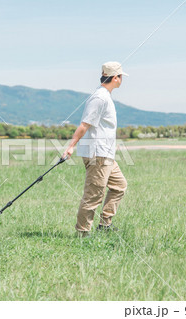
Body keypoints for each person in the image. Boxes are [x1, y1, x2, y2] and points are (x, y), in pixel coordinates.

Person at [63, 61, 128, 236]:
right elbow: (84, 125)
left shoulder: (106, 97)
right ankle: (82, 232)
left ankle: (105, 224)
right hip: (97, 155)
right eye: (121, 77)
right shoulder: (100, 98)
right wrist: (70, 147)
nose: (122, 80)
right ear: (115, 78)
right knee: (94, 195)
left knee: (119, 186)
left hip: (105, 154)